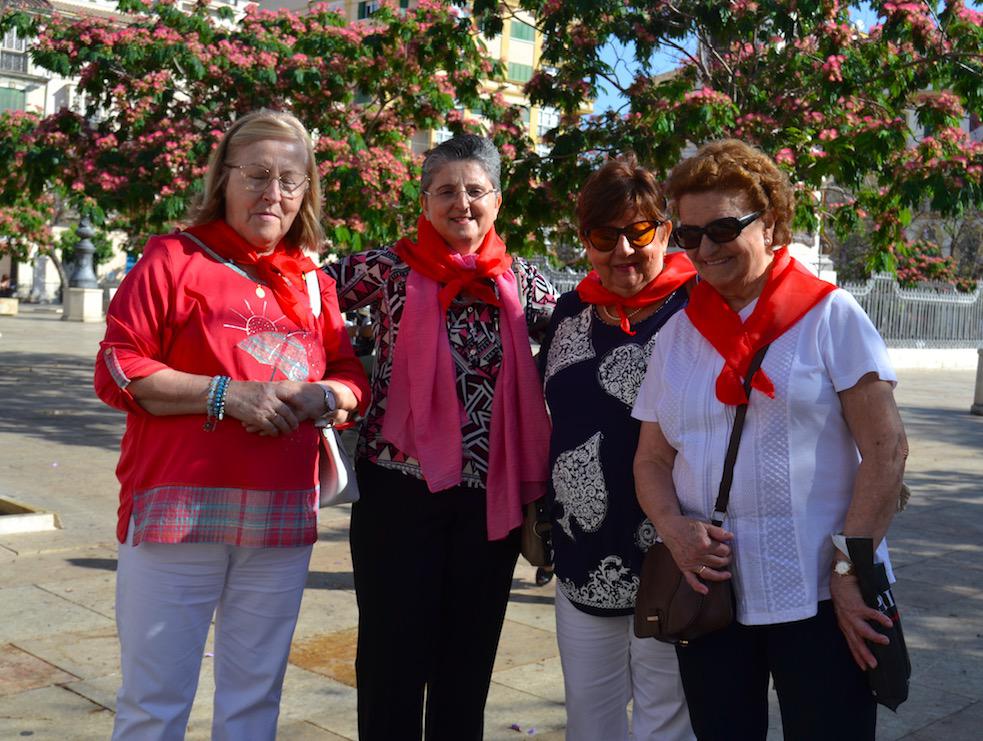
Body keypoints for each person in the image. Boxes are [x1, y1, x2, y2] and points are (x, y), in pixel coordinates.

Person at [94, 109, 370, 740]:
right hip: (176, 512)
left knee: (254, 700)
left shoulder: (312, 280)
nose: (273, 193)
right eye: (258, 174)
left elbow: (352, 375)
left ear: (307, 192)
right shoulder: (172, 259)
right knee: (154, 700)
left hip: (279, 516)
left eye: (290, 180)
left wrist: (321, 396)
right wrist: (227, 395)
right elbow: (119, 368)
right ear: (224, 179)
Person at [632, 139, 907, 740]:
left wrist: (851, 567)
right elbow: (652, 458)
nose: (706, 248)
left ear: (773, 222)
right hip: (712, 596)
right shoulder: (677, 335)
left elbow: (887, 452)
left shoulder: (831, 317)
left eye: (725, 227)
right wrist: (673, 530)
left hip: (824, 596)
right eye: (689, 234)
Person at [324, 133, 556, 740]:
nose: (462, 203)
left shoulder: (524, 283)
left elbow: (584, 332)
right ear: (423, 202)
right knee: (390, 657)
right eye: (445, 191)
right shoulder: (386, 267)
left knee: (467, 663)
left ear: (497, 202)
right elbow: (304, 295)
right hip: (397, 493)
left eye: (475, 190)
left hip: (490, 502)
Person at [539, 155, 696, 741]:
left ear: (665, 230)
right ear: (585, 241)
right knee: (590, 719)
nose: (624, 251)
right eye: (605, 236)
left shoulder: (699, 310)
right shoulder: (570, 311)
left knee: (666, 722)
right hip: (583, 554)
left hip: (671, 554)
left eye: (639, 232)